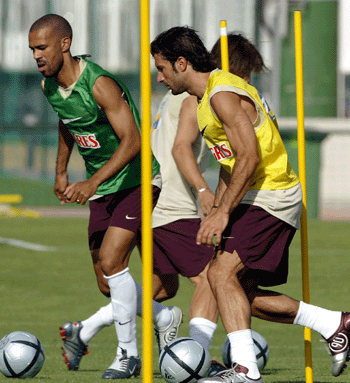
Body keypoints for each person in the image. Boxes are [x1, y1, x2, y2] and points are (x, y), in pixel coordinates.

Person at [151, 26, 350, 383]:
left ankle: (245, 370)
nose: (160, 78)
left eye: (162, 69)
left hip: (273, 194)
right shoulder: (201, 100)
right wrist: (216, 208)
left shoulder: (221, 94)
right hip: (254, 195)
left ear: (181, 63)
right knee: (239, 291)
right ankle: (335, 324)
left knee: (220, 275)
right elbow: (231, 162)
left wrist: (224, 211)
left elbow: (249, 155)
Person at [28, 14, 164, 379]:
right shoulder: (49, 87)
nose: (37, 56)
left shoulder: (99, 83)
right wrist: (61, 170)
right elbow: (67, 122)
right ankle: (164, 317)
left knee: (112, 258)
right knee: (106, 280)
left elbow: (133, 141)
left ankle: (128, 356)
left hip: (137, 181)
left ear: (64, 44)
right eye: (32, 50)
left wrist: (89, 184)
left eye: (42, 47)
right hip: (103, 187)